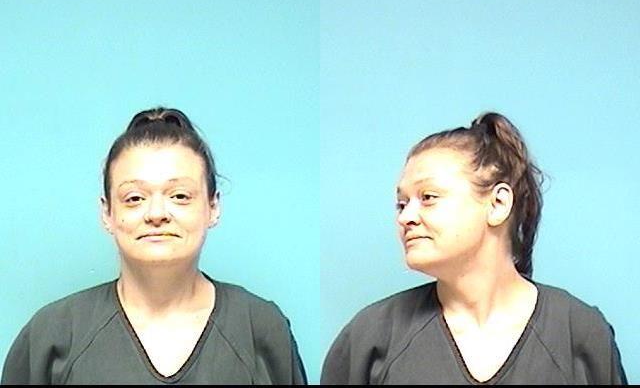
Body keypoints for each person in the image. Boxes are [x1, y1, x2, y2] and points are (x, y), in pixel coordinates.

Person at [2, 107, 307, 385]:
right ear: (107, 213)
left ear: (213, 207)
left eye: (180, 196)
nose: (157, 213)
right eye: (134, 198)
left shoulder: (259, 329)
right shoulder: (52, 336)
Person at [321, 112, 627, 385]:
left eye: (428, 197)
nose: (406, 217)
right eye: (401, 204)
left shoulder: (579, 334)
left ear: (498, 204)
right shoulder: (369, 339)